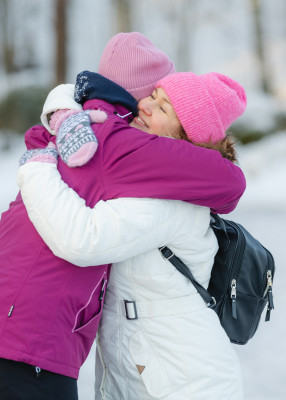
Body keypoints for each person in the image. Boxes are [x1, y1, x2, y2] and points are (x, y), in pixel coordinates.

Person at [0, 33, 245, 400]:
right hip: (141, 378)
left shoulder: (169, 200)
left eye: (162, 109)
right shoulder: (132, 168)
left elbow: (81, 239)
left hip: (185, 383)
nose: (144, 107)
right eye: (153, 97)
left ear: (187, 140)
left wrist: (37, 167)